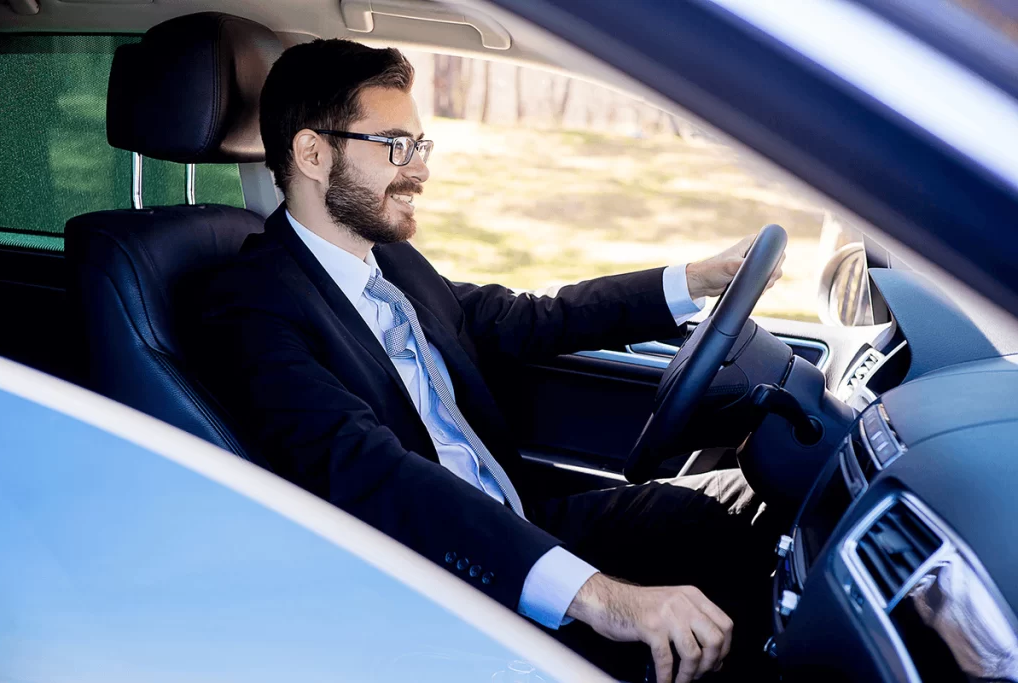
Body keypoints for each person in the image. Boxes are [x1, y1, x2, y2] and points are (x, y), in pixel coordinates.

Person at [194, 38, 786, 683]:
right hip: (437, 574)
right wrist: (602, 597)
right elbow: (372, 472)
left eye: (420, 146)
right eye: (395, 145)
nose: (419, 170)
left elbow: (529, 317)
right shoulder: (251, 302)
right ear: (313, 153)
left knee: (752, 499)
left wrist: (697, 278)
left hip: (513, 517)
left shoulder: (389, 260)